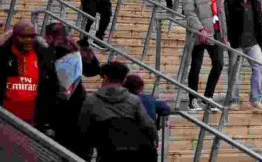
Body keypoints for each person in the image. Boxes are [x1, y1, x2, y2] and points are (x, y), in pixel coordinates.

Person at [77, 60, 157, 160]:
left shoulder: (91, 101)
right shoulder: (134, 100)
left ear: (104, 77)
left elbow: (83, 129)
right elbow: (148, 125)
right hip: (134, 152)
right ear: (124, 80)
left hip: (107, 153)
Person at [44, 22, 100, 156]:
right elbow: (93, 70)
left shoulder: (52, 52)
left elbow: (92, 70)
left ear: (49, 36)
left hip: (61, 103)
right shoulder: (73, 50)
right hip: (73, 101)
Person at [183, 0, 227, 110]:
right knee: (196, 66)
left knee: (219, 63)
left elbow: (221, 11)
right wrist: (200, 29)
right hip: (199, 33)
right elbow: (189, 12)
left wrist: (224, 34)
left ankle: (208, 97)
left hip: (215, 31)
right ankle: (192, 99)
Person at [0, 22, 57, 130]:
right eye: (23, 37)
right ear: (14, 36)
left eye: (32, 36)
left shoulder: (43, 56)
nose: (28, 40)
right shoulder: (4, 55)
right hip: (5, 121)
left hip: (32, 124)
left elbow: (51, 88)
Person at [224, 0, 262, 111]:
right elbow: (226, 23)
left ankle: (255, 99)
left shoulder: (256, 3)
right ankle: (234, 100)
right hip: (236, 43)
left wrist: (261, 41)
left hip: (253, 42)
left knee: (258, 68)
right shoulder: (230, 3)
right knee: (234, 72)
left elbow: (259, 22)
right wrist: (227, 39)